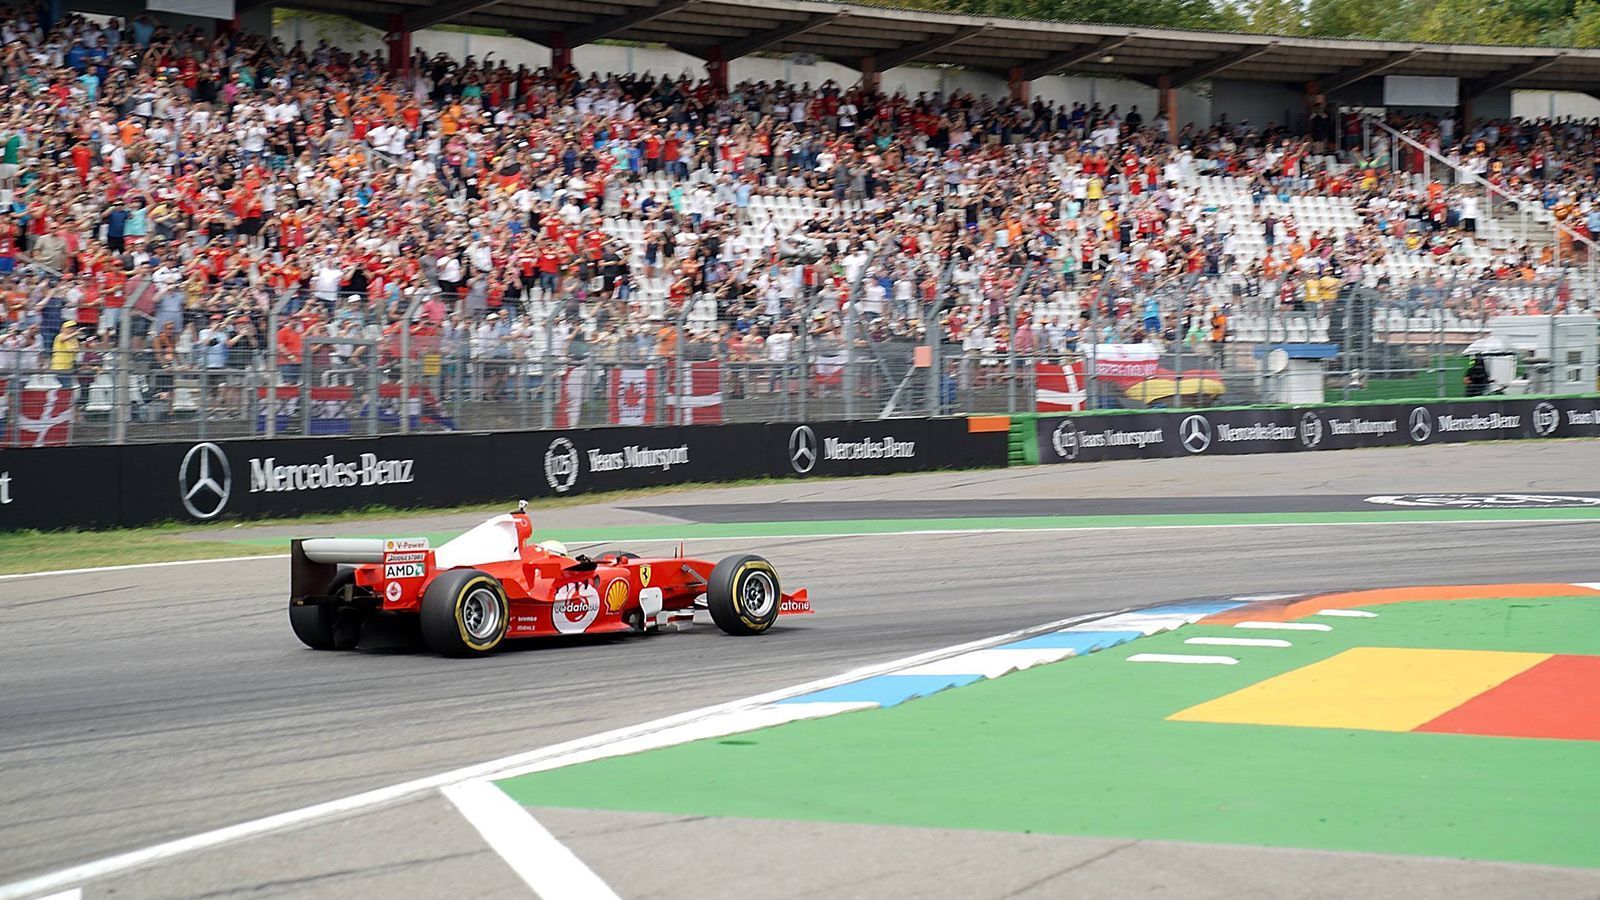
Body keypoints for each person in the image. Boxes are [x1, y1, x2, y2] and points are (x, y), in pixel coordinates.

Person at [50, 320, 81, 386]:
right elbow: (63, 339)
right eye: (69, 328)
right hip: (59, 367)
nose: (72, 329)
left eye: (73, 328)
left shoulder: (74, 339)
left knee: (67, 386)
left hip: (69, 366)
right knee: (66, 385)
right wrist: (75, 333)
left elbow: (76, 350)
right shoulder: (59, 336)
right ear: (63, 329)